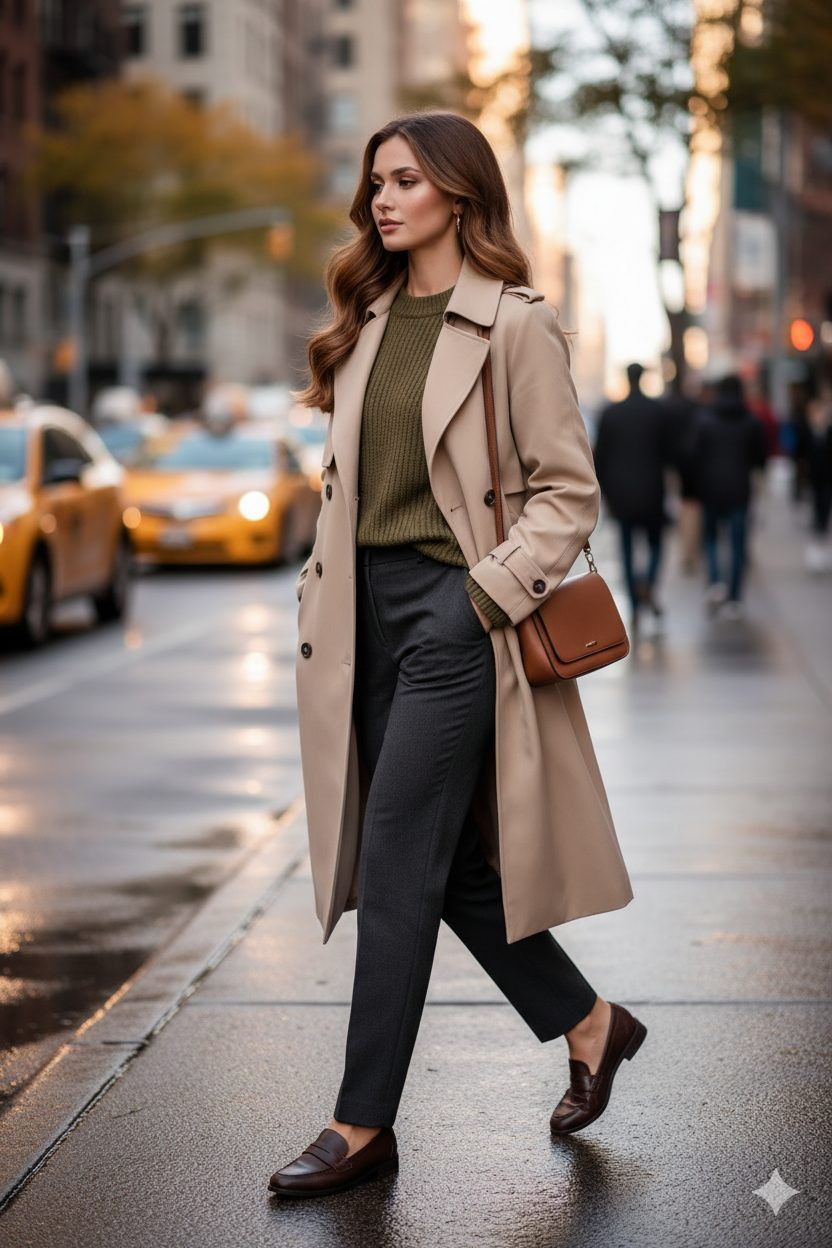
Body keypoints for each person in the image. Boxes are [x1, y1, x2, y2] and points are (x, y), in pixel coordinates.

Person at [268, 111, 646, 1200]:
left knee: (393, 865)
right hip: (362, 626)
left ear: (457, 196)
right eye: (375, 183)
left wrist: (478, 599)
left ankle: (359, 1124)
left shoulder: (512, 326)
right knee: (442, 870)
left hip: (454, 618)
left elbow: (566, 492)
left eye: (404, 182)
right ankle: (589, 1022)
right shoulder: (369, 318)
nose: (382, 200)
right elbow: (351, 497)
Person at [593, 363, 671, 632]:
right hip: (652, 491)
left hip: (621, 493)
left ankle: (636, 605)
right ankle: (647, 583)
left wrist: (604, 492)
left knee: (626, 549)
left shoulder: (611, 413)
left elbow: (599, 457)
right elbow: (669, 454)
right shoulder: (658, 412)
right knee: (656, 545)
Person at [688, 373, 769, 618]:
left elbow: (693, 456)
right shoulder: (750, 421)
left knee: (710, 539)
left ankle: (715, 582)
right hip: (739, 490)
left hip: (710, 489)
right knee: (737, 545)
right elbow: (760, 458)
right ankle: (734, 599)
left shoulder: (704, 420)